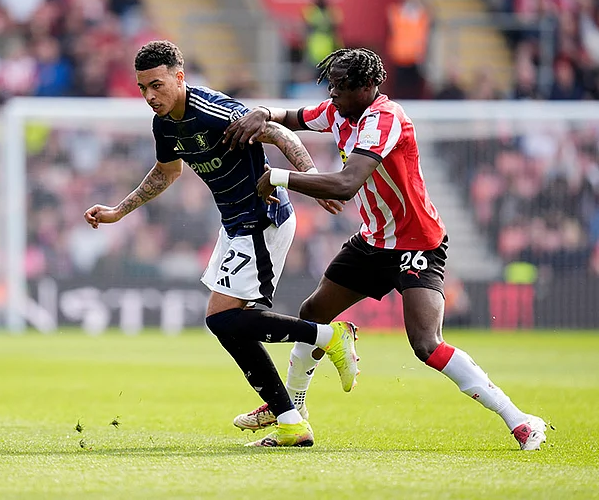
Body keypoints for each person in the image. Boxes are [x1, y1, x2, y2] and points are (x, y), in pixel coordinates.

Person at [223, 47, 550, 450]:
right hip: (373, 241)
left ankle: (519, 420)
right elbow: (296, 117)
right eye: (332, 85)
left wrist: (278, 177)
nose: (333, 94)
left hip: (417, 244)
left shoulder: (385, 119)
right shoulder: (339, 111)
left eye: (341, 87)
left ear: (367, 86)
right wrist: (264, 113)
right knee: (312, 313)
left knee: (426, 345)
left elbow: (346, 184)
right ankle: (293, 412)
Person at [84, 40, 359, 448]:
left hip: (263, 221)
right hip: (235, 226)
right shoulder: (164, 125)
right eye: (143, 88)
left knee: (223, 319)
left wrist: (312, 178)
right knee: (228, 321)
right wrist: (119, 211)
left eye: (156, 85)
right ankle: (287, 416)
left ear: (180, 77)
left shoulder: (214, 111)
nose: (149, 96)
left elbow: (280, 134)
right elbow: (166, 172)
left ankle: (326, 340)